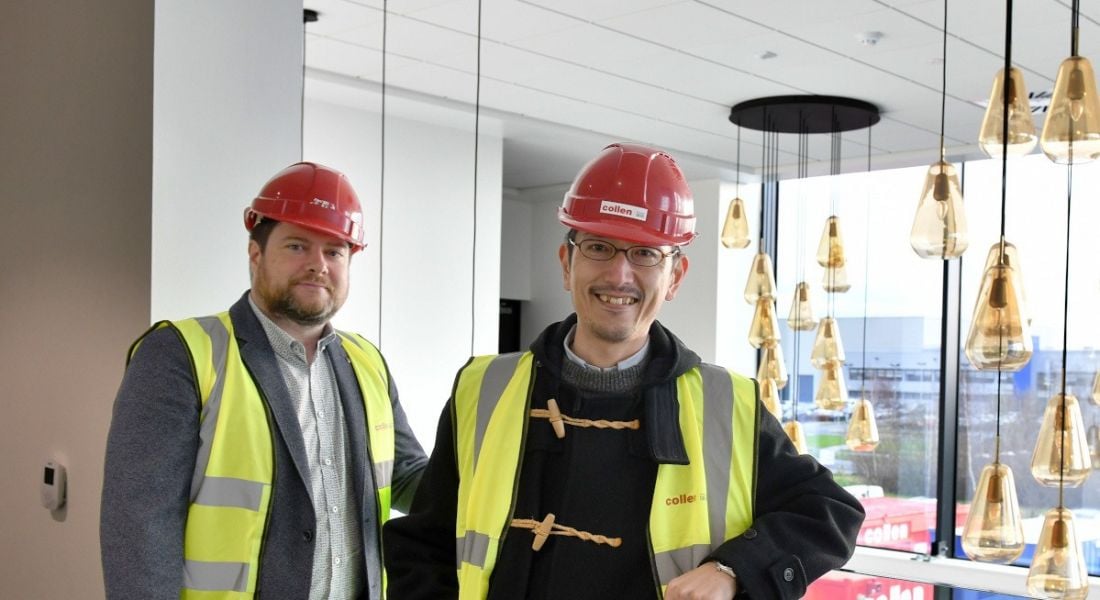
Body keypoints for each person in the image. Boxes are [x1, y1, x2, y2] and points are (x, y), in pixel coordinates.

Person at [382, 143, 865, 600]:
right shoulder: (482, 387)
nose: (619, 275)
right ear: (566, 262)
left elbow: (831, 511)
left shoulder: (726, 403)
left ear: (674, 276)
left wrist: (733, 568)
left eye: (645, 253)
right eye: (598, 247)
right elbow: (425, 545)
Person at [101, 162, 428, 600]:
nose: (318, 265)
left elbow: (408, 474)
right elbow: (140, 524)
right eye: (297, 246)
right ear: (256, 254)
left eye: (335, 252)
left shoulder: (366, 362)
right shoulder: (182, 354)